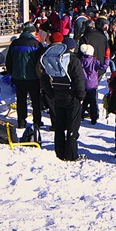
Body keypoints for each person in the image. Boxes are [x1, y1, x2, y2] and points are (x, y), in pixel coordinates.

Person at [38, 33, 86, 161]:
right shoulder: (73, 60)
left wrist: (51, 93)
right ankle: (71, 154)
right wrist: (81, 96)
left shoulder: (51, 59)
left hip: (58, 95)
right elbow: (79, 80)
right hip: (72, 96)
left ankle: (59, 151)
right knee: (72, 126)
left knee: (59, 126)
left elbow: (44, 79)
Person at [6, 24, 45, 140]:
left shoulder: (14, 44)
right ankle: (37, 121)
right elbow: (41, 62)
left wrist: (13, 73)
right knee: (35, 100)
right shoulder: (36, 44)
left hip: (18, 77)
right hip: (33, 77)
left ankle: (21, 121)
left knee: (21, 99)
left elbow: (9, 62)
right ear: (31, 33)